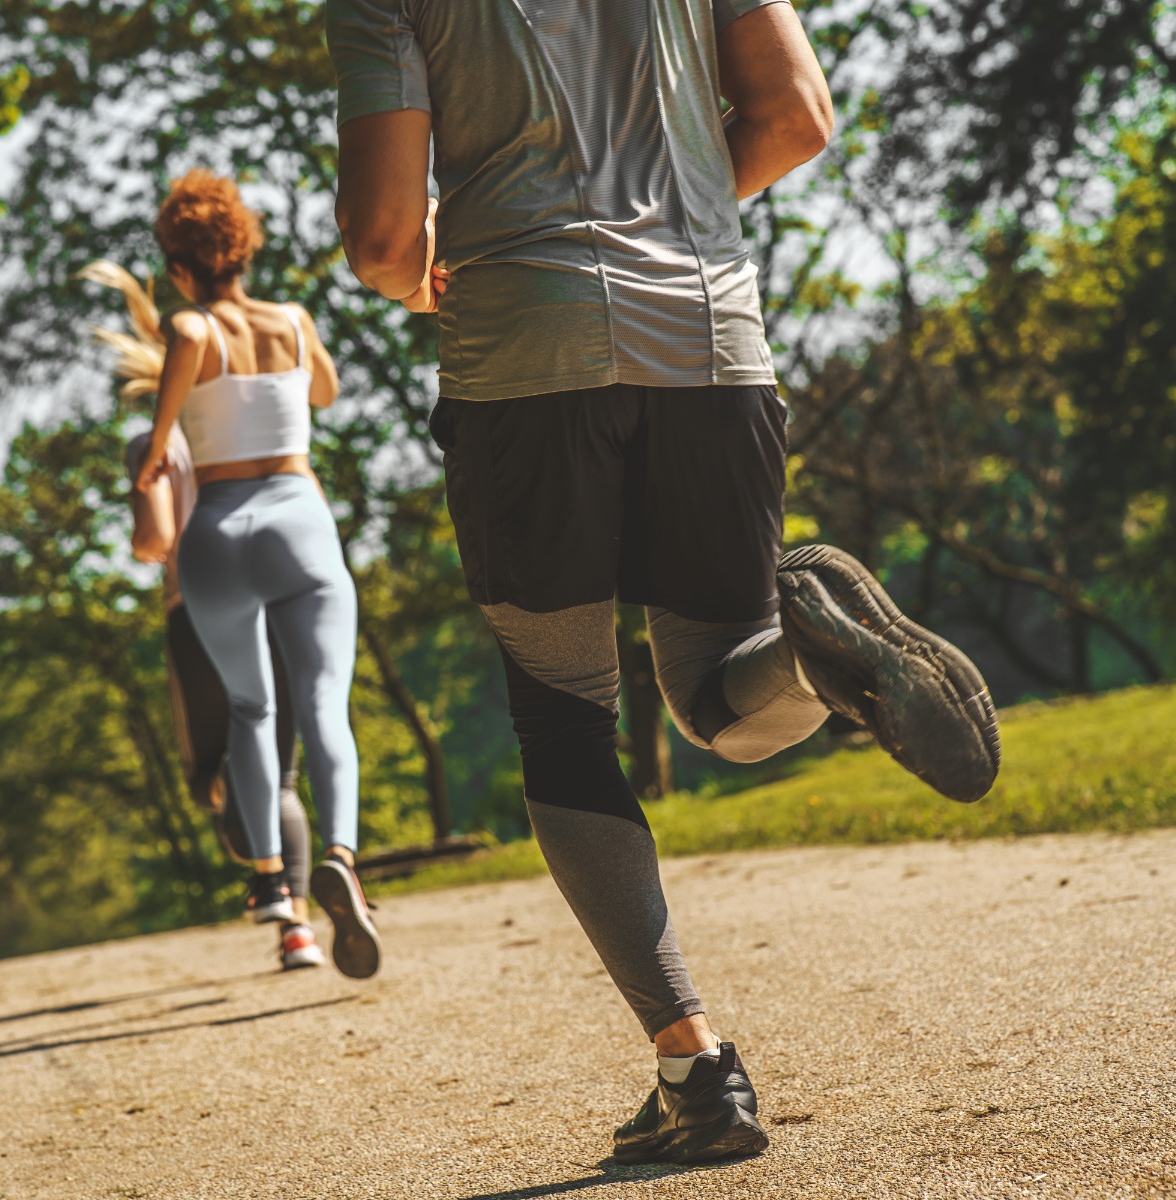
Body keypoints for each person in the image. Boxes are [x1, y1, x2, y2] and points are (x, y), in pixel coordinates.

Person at [328, 0, 1001, 1164]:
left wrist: (435, 269)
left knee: (567, 719)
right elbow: (795, 118)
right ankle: (812, 657)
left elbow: (389, 240)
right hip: (711, 338)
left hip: (524, 356)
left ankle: (695, 1066)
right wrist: (667, 219)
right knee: (722, 699)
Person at [130, 170, 382, 980]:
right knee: (322, 704)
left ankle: (275, 880)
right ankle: (341, 854)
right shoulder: (294, 322)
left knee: (249, 709)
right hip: (295, 515)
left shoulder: (188, 330)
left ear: (179, 266)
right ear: (244, 249)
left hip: (216, 535)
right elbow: (327, 393)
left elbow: (161, 440)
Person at [82, 259, 327, 972]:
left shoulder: (155, 442)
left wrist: (142, 503)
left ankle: (260, 865)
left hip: (199, 611)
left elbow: (155, 541)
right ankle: (300, 928)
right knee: (279, 772)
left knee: (216, 776)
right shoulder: (256, 420)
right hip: (282, 590)